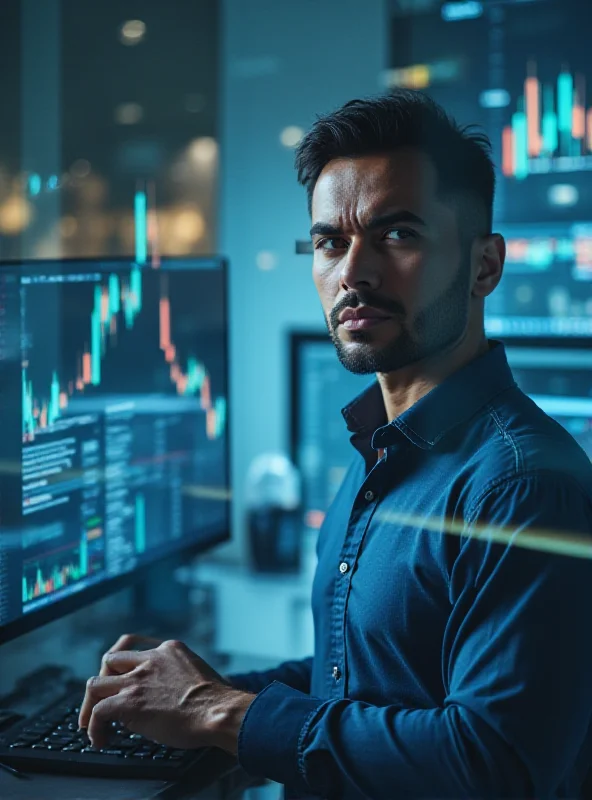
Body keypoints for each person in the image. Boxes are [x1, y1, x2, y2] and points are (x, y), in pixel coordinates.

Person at [79, 91, 592, 798]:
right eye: (330, 242)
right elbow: (360, 678)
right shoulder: (381, 450)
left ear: (484, 266)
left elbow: (495, 762)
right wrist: (196, 689)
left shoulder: (524, 486)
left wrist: (218, 712)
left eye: (399, 234)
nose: (354, 272)